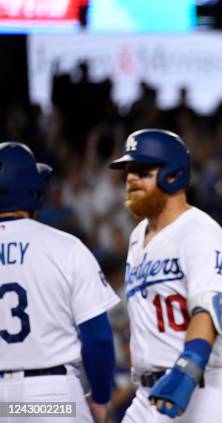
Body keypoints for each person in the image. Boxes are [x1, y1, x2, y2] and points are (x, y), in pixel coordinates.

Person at [108, 129, 222, 422]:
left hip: (203, 387)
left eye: (142, 170)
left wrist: (189, 365)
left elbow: (211, 309)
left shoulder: (200, 230)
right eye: (128, 171)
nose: (130, 178)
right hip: (146, 394)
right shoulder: (137, 237)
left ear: (172, 175)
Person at [0, 142, 119, 423]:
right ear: (33, 190)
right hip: (50, 399)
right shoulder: (64, 247)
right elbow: (98, 338)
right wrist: (101, 398)